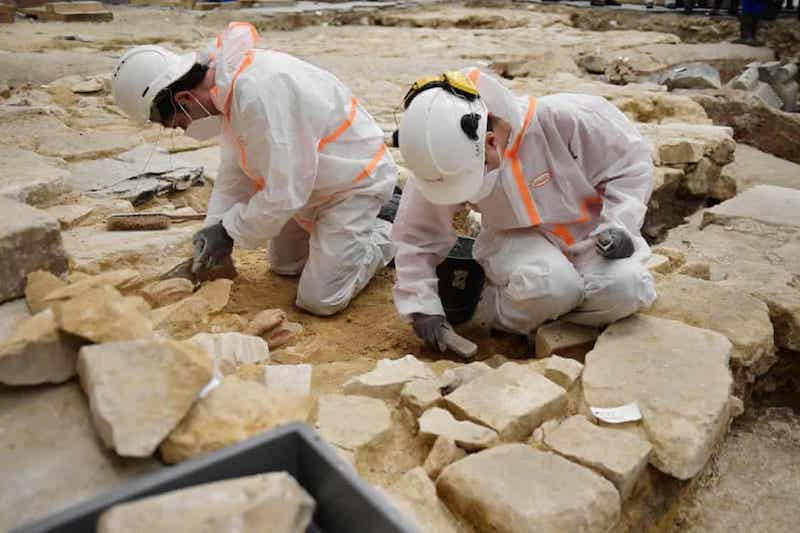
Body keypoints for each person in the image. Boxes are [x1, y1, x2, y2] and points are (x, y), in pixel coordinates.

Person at [111, 22, 396, 316]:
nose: (184, 129)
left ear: (184, 99)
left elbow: (284, 194)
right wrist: (214, 226)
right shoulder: (226, 88)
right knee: (285, 266)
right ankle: (341, 239)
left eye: (178, 123)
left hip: (352, 183)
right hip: (310, 183)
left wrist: (229, 230)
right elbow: (234, 171)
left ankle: (387, 231)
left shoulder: (258, 94)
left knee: (320, 300)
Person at [391, 69, 656, 352]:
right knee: (549, 286)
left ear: (491, 142)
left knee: (628, 290)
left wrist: (620, 224)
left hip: (593, 236)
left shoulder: (570, 119)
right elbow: (417, 233)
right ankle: (496, 311)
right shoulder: (439, 156)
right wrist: (422, 306)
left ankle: (544, 317)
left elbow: (630, 166)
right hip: (513, 240)